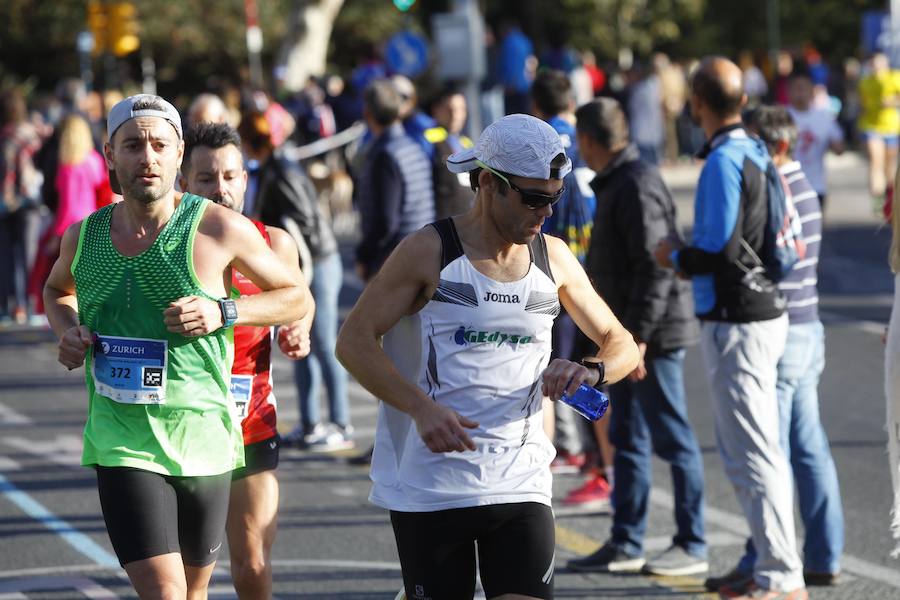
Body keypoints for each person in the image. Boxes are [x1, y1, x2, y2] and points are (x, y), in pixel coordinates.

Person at [336, 113, 640, 600]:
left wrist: (590, 369)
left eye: (554, 197)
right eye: (534, 198)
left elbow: (621, 341)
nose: (546, 212)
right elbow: (353, 341)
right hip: (433, 486)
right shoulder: (428, 251)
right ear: (486, 183)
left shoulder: (553, 256)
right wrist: (420, 408)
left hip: (522, 482)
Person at [42, 94, 311, 599]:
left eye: (159, 144)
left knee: (192, 593)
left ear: (177, 153)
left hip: (206, 437)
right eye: (133, 145)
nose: (147, 157)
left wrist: (224, 311)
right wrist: (68, 329)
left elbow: (295, 296)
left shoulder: (218, 228)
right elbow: (58, 290)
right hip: (121, 438)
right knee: (165, 593)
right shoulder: (84, 236)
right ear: (109, 154)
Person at [653, 58, 807, 600]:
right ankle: (770, 565)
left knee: (753, 455)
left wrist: (673, 255)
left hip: (737, 318)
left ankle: (781, 576)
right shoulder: (758, 150)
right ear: (742, 100)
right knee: (757, 452)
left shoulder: (722, 161)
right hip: (766, 312)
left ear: (697, 104)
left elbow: (715, 250)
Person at [566, 97, 706, 576]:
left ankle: (693, 541)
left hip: (653, 336)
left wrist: (639, 338)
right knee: (625, 436)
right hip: (629, 335)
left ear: (587, 140)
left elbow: (656, 269)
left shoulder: (635, 183)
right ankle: (626, 541)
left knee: (672, 437)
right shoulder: (618, 180)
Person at [179, 121, 313, 598]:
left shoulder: (274, 242)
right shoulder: (164, 249)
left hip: (249, 423)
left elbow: (299, 295)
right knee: (190, 578)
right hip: (182, 427)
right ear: (183, 182)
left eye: (232, 176)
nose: (222, 189)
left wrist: (301, 326)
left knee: (253, 559)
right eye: (207, 178)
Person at [717, 105, 842, 588]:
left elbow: (764, 262)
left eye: (755, 145)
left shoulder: (777, 188)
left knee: (766, 452)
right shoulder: (807, 186)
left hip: (783, 329)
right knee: (808, 447)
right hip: (809, 327)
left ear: (777, 147)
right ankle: (824, 554)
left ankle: (763, 558)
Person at [238, 111, 352, 451]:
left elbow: (304, 222)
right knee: (297, 341)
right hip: (300, 264)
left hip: (315, 261)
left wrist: (298, 272)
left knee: (322, 341)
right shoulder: (273, 167)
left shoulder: (281, 170)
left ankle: (341, 423)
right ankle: (309, 422)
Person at [29, 113, 112, 315]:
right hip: (95, 224)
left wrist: (56, 236)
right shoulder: (94, 160)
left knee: (55, 279)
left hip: (72, 227)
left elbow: (69, 205)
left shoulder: (68, 167)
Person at [354, 79, 435, 282]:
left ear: (367, 114)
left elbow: (385, 221)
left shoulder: (385, 155)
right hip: (423, 249)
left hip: (396, 259)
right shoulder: (413, 145)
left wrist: (364, 255)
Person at [786, 68, 844, 210]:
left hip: (816, 186)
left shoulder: (824, 117)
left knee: (814, 231)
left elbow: (839, 148)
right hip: (786, 187)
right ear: (789, 92)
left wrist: (835, 145)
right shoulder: (782, 116)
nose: (800, 93)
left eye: (803, 88)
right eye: (796, 88)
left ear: (812, 91)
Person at [858, 53, 900, 211]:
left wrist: (893, 101)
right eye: (874, 65)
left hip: (891, 127)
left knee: (890, 165)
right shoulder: (865, 82)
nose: (877, 69)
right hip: (871, 126)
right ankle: (877, 197)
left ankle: (890, 196)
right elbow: (862, 104)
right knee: (876, 161)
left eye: (880, 65)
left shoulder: (895, 78)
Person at [428, 85, 474, 220]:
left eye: (461, 110)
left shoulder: (466, 143)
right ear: (436, 110)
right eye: (450, 109)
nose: (456, 115)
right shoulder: (429, 139)